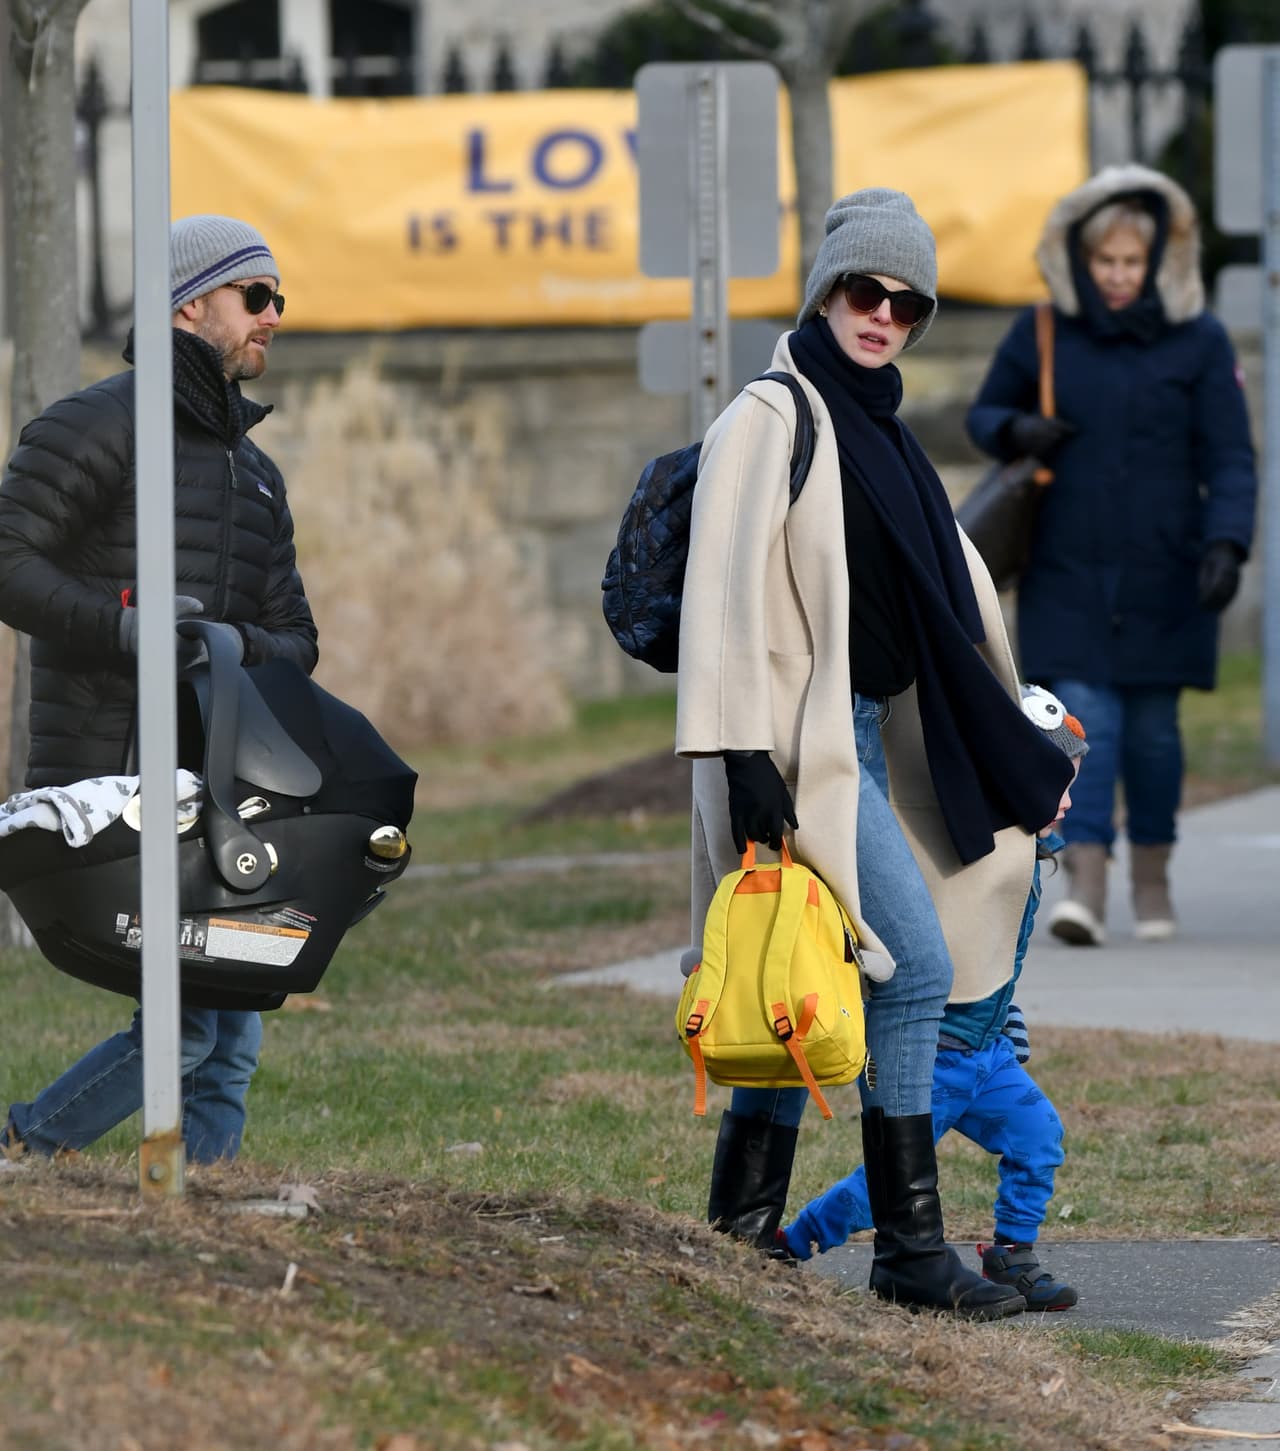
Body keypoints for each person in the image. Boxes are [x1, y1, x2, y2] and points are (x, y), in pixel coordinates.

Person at [676, 189, 1075, 1319]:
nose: (882, 315)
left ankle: (743, 1229)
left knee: (804, 974)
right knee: (910, 969)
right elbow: (719, 592)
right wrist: (738, 749)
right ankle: (907, 1245)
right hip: (790, 747)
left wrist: (1019, 737)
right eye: (865, 290)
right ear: (825, 287)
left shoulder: (882, 429)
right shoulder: (772, 413)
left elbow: (946, 609)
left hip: (859, 742)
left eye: (906, 304)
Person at [0, 215, 317, 1168]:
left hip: (216, 793)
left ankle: (207, 1209)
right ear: (191, 302)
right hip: (109, 777)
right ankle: (25, 1147)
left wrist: (216, 645)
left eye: (278, 300)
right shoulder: (95, 424)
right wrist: (128, 627)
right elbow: (8, 560)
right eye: (255, 297)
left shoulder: (253, 473)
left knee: (233, 1035)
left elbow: (297, 639)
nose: (272, 318)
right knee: (184, 1025)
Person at [966, 165, 1257, 947]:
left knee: (1156, 734)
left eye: (1134, 262)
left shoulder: (1200, 339)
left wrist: (1229, 543)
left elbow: (1231, 454)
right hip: (1068, 566)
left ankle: (1153, 878)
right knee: (1085, 725)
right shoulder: (1043, 331)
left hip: (1169, 571)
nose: (1120, 277)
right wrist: (1019, 431)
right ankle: (1085, 887)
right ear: (1080, 261)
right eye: (1106, 263)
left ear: (1161, 260)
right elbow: (984, 413)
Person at [781, 686, 1088, 1312]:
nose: (1068, 799)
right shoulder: (961, 843)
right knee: (887, 1185)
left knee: (1039, 1138)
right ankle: (793, 1244)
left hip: (990, 1052)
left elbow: (995, 951)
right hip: (938, 1051)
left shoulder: (1027, 854)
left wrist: (1009, 1015)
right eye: (1059, 782)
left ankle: (1012, 1255)